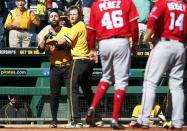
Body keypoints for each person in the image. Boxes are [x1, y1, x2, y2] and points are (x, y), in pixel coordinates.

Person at [131, 0, 187, 130]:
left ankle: (143, 120)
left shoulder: (162, 3)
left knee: (150, 82)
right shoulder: (184, 6)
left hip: (164, 43)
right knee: (177, 86)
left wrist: (143, 41)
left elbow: (151, 24)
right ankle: (178, 122)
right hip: (179, 45)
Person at [83, 0, 139, 130]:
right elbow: (134, 25)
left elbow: (90, 30)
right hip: (120, 41)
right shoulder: (126, 2)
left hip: (104, 43)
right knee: (121, 81)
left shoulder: (96, 5)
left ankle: (92, 107)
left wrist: (92, 49)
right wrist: (135, 42)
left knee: (106, 77)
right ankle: (114, 119)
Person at [46, 5, 101, 128]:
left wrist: (49, 40)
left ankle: (76, 120)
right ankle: (96, 117)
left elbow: (61, 42)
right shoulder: (84, 26)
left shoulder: (77, 27)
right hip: (87, 61)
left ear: (80, 15)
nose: (71, 16)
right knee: (87, 90)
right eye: (70, 14)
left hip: (78, 60)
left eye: (74, 14)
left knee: (72, 90)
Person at [37, 9, 72, 128]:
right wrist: (45, 38)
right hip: (55, 67)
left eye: (55, 16)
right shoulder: (45, 32)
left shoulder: (67, 30)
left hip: (68, 65)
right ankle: (54, 120)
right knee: (54, 95)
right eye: (51, 16)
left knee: (71, 93)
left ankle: (73, 120)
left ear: (60, 19)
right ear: (48, 19)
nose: (53, 18)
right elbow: (40, 49)